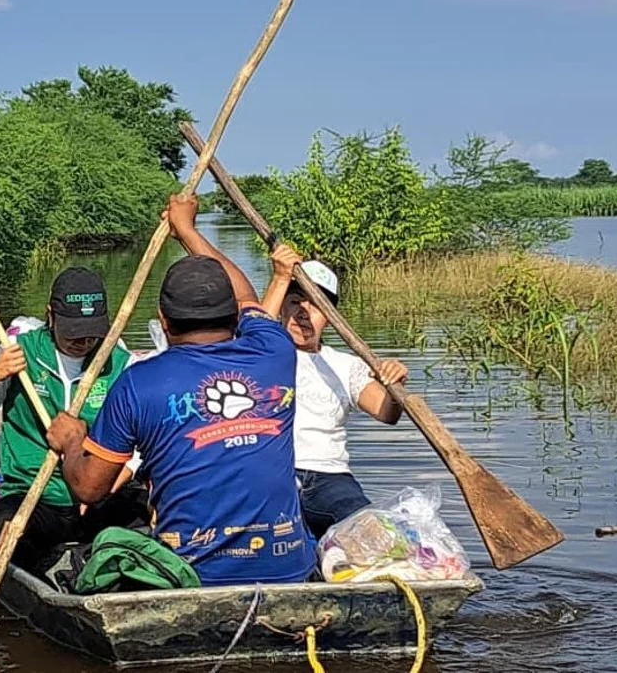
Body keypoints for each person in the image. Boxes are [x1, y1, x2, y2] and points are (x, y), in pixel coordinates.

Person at [45, 194, 317, 587]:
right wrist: (187, 230)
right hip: (288, 567)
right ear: (234, 317)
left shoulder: (139, 382)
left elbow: (91, 488)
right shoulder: (275, 351)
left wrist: (71, 442)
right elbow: (245, 296)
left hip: (191, 577)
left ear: (163, 322)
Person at [0, 266, 146, 572]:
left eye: (91, 333)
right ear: (50, 315)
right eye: (73, 333)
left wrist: (102, 489)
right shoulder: (20, 354)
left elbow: (138, 448)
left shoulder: (120, 363)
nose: (82, 342)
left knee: (146, 521)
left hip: (99, 496)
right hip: (36, 496)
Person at [260, 244, 409, 539]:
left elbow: (386, 413)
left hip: (329, 479)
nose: (303, 313)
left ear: (329, 316)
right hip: (270, 475)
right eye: (294, 303)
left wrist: (395, 388)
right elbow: (256, 329)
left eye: (315, 306)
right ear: (281, 308)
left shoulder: (346, 365)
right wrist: (279, 279)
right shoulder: (259, 356)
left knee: (375, 535)